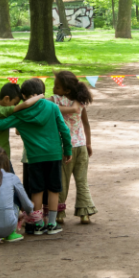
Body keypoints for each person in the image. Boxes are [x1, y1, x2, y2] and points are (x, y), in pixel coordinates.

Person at [0, 78, 72, 235]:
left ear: (24, 96)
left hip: (35, 157)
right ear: (39, 93)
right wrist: (67, 150)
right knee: (54, 189)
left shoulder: (21, 114)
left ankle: (36, 225)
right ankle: (51, 223)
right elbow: (64, 129)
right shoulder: (52, 107)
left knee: (37, 190)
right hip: (54, 154)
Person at [50, 71, 97, 225]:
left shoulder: (55, 101)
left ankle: (59, 214)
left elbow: (44, 105)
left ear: (66, 90)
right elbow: (86, 124)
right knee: (82, 180)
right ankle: (85, 213)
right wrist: (88, 143)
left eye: (57, 87)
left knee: (62, 181)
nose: (53, 89)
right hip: (81, 146)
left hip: (65, 148)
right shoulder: (80, 102)